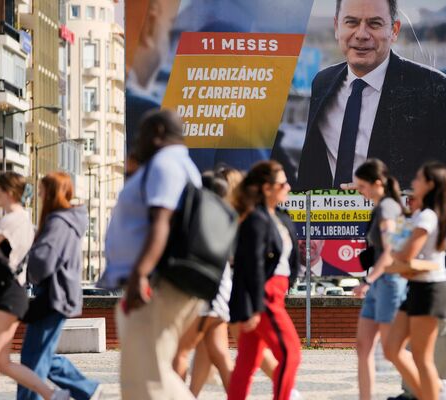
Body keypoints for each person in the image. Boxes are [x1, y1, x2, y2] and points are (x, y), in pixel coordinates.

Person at [293, 0, 446, 190]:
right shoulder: (323, 82)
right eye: (351, 22)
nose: (362, 34)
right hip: (329, 218)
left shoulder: (435, 89)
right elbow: (312, 170)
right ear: (336, 27)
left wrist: (390, 195)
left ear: (394, 30)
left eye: (374, 24)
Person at [98, 109, 203, 399]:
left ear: (157, 132)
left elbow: (161, 222)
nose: (136, 141)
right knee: (142, 381)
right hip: (159, 284)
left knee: (150, 378)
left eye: (141, 134)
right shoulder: (177, 164)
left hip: (155, 285)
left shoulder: (165, 165)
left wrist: (140, 274)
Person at [0, 172, 69, 400]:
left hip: (2, 294)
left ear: (9, 193)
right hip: (14, 293)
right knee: (2, 362)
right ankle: (52, 394)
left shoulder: (9, 220)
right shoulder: (25, 221)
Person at [17, 172, 101, 400]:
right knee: (41, 354)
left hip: (54, 295)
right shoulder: (65, 220)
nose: (39, 195)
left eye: (42, 190)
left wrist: (29, 257)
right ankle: (87, 388)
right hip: (60, 294)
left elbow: (44, 260)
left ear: (52, 192)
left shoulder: (58, 221)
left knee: (33, 357)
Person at [383, 162, 446, 400]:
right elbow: (396, 252)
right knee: (392, 348)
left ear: (430, 184)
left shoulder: (428, 216)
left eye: (418, 178)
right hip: (416, 287)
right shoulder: (419, 215)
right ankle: (433, 392)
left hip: (431, 290)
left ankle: (435, 393)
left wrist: (394, 257)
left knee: (421, 357)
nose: (413, 182)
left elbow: (404, 255)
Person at [228, 161, 302, 400]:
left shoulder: (279, 216)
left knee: (247, 363)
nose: (288, 187)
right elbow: (251, 266)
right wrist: (254, 306)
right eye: (282, 184)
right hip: (265, 294)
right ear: (267, 188)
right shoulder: (256, 220)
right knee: (290, 353)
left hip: (276, 293)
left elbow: (291, 260)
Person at [172, 168, 238, 395]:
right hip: (220, 293)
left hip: (203, 295)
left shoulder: (199, 219)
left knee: (179, 352)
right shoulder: (229, 217)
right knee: (218, 353)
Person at [350, 159, 407, 400]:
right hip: (378, 284)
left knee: (393, 350)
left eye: (362, 187)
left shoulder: (387, 209)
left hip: (388, 282)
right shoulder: (381, 205)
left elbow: (390, 250)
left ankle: (428, 390)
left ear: (376, 183)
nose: (359, 192)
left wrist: (368, 280)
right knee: (363, 346)